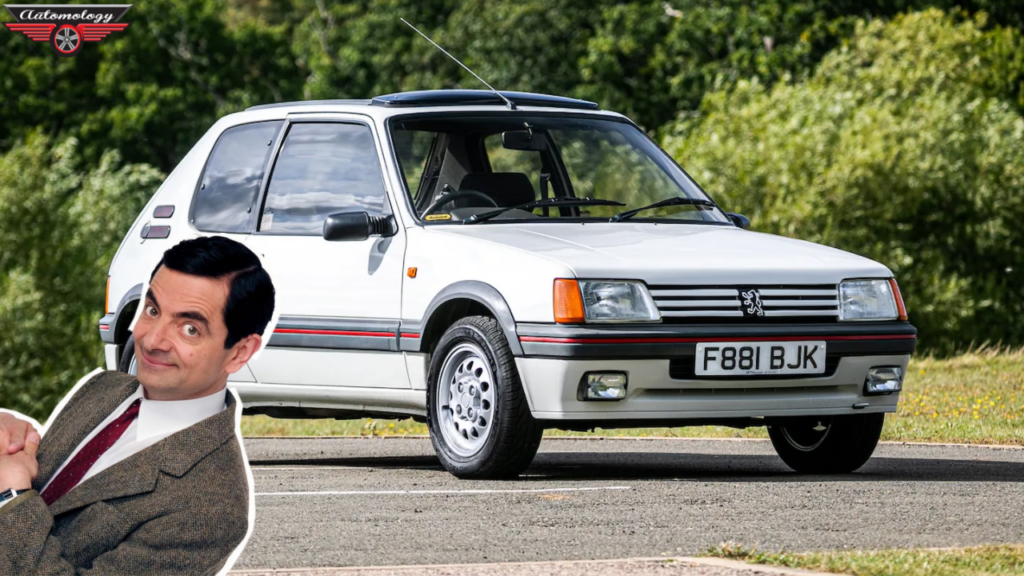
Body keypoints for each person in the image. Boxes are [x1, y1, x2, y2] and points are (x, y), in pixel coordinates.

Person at [0, 235, 275, 575]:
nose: (152, 339)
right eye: (152, 310)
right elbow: (41, 487)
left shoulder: (211, 509)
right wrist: (11, 439)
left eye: (189, 329)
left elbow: (16, 495)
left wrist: (11, 495)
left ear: (240, 352)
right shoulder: (105, 388)